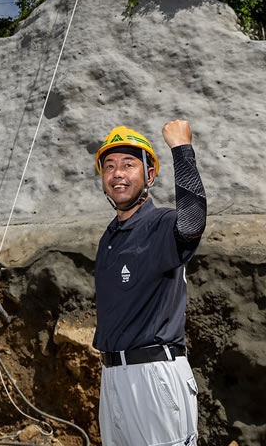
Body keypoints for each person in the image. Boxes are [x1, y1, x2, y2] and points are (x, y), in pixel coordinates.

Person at [91, 121, 207, 446]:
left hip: (154, 375)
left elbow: (192, 223)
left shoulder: (162, 224)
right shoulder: (110, 237)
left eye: (128, 164)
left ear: (150, 175)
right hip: (113, 376)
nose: (117, 173)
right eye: (109, 166)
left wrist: (181, 149)